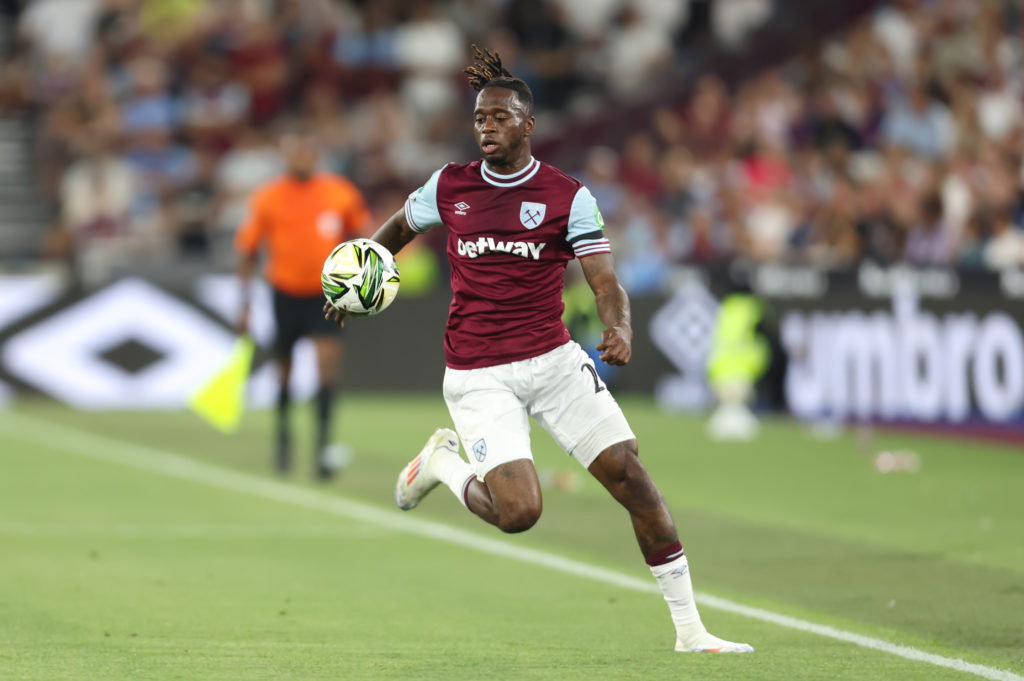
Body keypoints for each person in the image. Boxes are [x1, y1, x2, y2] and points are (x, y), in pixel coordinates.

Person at [323, 46, 753, 653]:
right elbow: (398, 226)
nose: (487, 128)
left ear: (528, 124)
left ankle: (690, 631)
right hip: (478, 372)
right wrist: (358, 279)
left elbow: (604, 280)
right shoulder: (450, 185)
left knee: (633, 478)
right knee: (519, 512)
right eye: (479, 119)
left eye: (499, 118)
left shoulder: (567, 196)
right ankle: (444, 463)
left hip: (553, 361)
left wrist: (620, 326)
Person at [236, 129, 370, 479]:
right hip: (284, 291)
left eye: (307, 152)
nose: (301, 158)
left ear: (316, 155)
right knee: (284, 370)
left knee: (327, 366)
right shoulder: (268, 197)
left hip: (327, 294)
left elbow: (363, 239)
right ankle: (283, 442)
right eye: (295, 152)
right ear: (285, 155)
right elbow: (248, 250)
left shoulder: (340, 194)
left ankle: (323, 448)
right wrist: (245, 302)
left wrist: (361, 284)